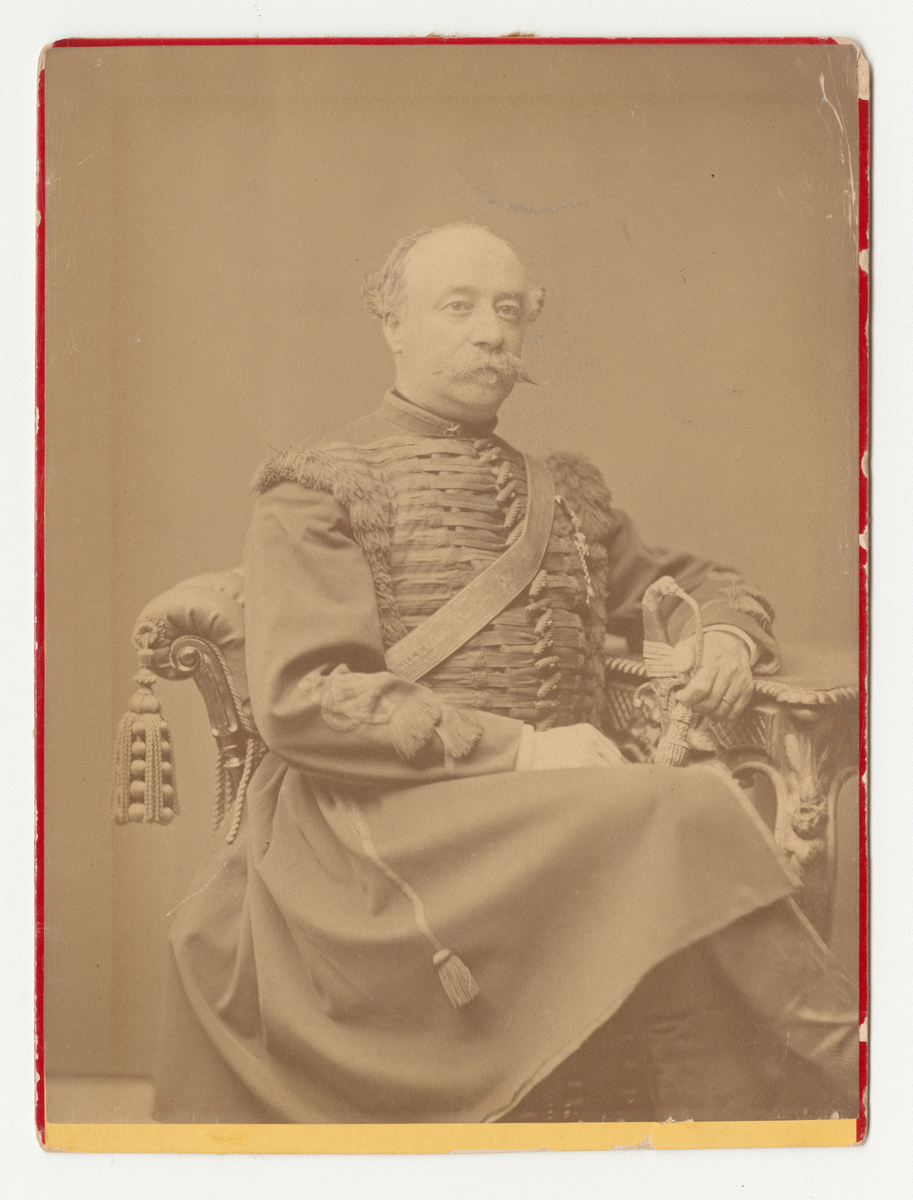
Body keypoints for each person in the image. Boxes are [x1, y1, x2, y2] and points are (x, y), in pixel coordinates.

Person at [153, 224, 858, 1124]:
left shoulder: (561, 494)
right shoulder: (316, 488)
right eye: (459, 308)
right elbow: (306, 697)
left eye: (509, 311)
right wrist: (523, 750)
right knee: (683, 807)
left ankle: (773, 1118)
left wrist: (722, 636)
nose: (491, 332)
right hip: (375, 817)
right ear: (392, 324)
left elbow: (698, 584)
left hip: (537, 815)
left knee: (673, 833)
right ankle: (854, 1066)